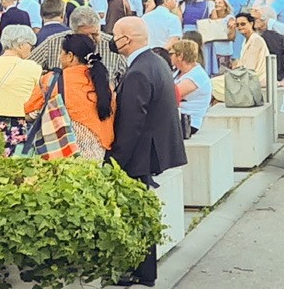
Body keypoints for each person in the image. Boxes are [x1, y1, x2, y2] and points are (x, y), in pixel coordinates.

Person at [106, 17, 187, 287]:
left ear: (126, 39)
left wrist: (115, 160)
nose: (112, 40)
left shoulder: (139, 71)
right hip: (153, 148)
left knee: (135, 213)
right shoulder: (156, 62)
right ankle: (144, 270)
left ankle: (138, 270)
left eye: (115, 35)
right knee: (141, 210)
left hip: (140, 153)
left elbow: (131, 124)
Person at [24, 34, 115, 159]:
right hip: (97, 152)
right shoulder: (104, 84)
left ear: (70, 56)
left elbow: (29, 113)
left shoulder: (52, 80)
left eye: (61, 53)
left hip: (62, 149)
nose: (59, 57)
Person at [0, 25, 41, 155]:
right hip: (21, 123)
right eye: (31, 46)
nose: (32, 50)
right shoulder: (33, 67)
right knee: (19, 162)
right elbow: (37, 97)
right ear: (21, 45)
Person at [211, 13, 268, 101]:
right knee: (213, 83)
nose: (240, 27)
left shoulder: (255, 40)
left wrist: (234, 73)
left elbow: (250, 68)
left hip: (253, 78)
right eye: (237, 25)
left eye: (243, 24)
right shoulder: (246, 39)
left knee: (213, 83)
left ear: (251, 24)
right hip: (244, 75)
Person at [172, 39, 212, 134]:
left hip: (189, 123)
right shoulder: (178, 72)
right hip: (177, 119)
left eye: (171, 53)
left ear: (180, 56)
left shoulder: (197, 76)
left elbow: (173, 95)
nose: (169, 56)